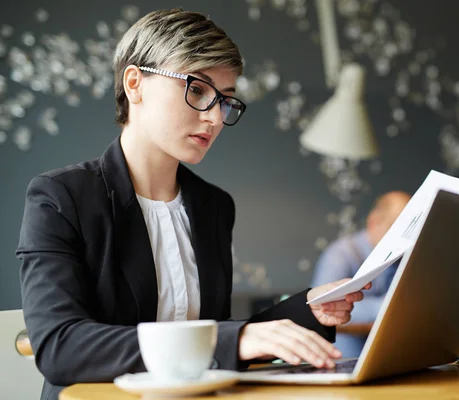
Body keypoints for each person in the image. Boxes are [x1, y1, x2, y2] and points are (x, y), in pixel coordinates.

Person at [16, 9, 369, 400]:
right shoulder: (60, 197)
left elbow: (215, 336)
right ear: (135, 84)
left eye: (225, 101)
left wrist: (308, 310)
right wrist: (230, 339)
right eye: (197, 89)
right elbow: (60, 346)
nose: (215, 117)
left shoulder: (213, 206)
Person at [311, 191, 411, 356]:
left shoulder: (403, 257)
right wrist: (390, 306)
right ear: (373, 222)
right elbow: (323, 309)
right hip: (343, 359)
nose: (404, 239)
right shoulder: (340, 255)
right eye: (395, 229)